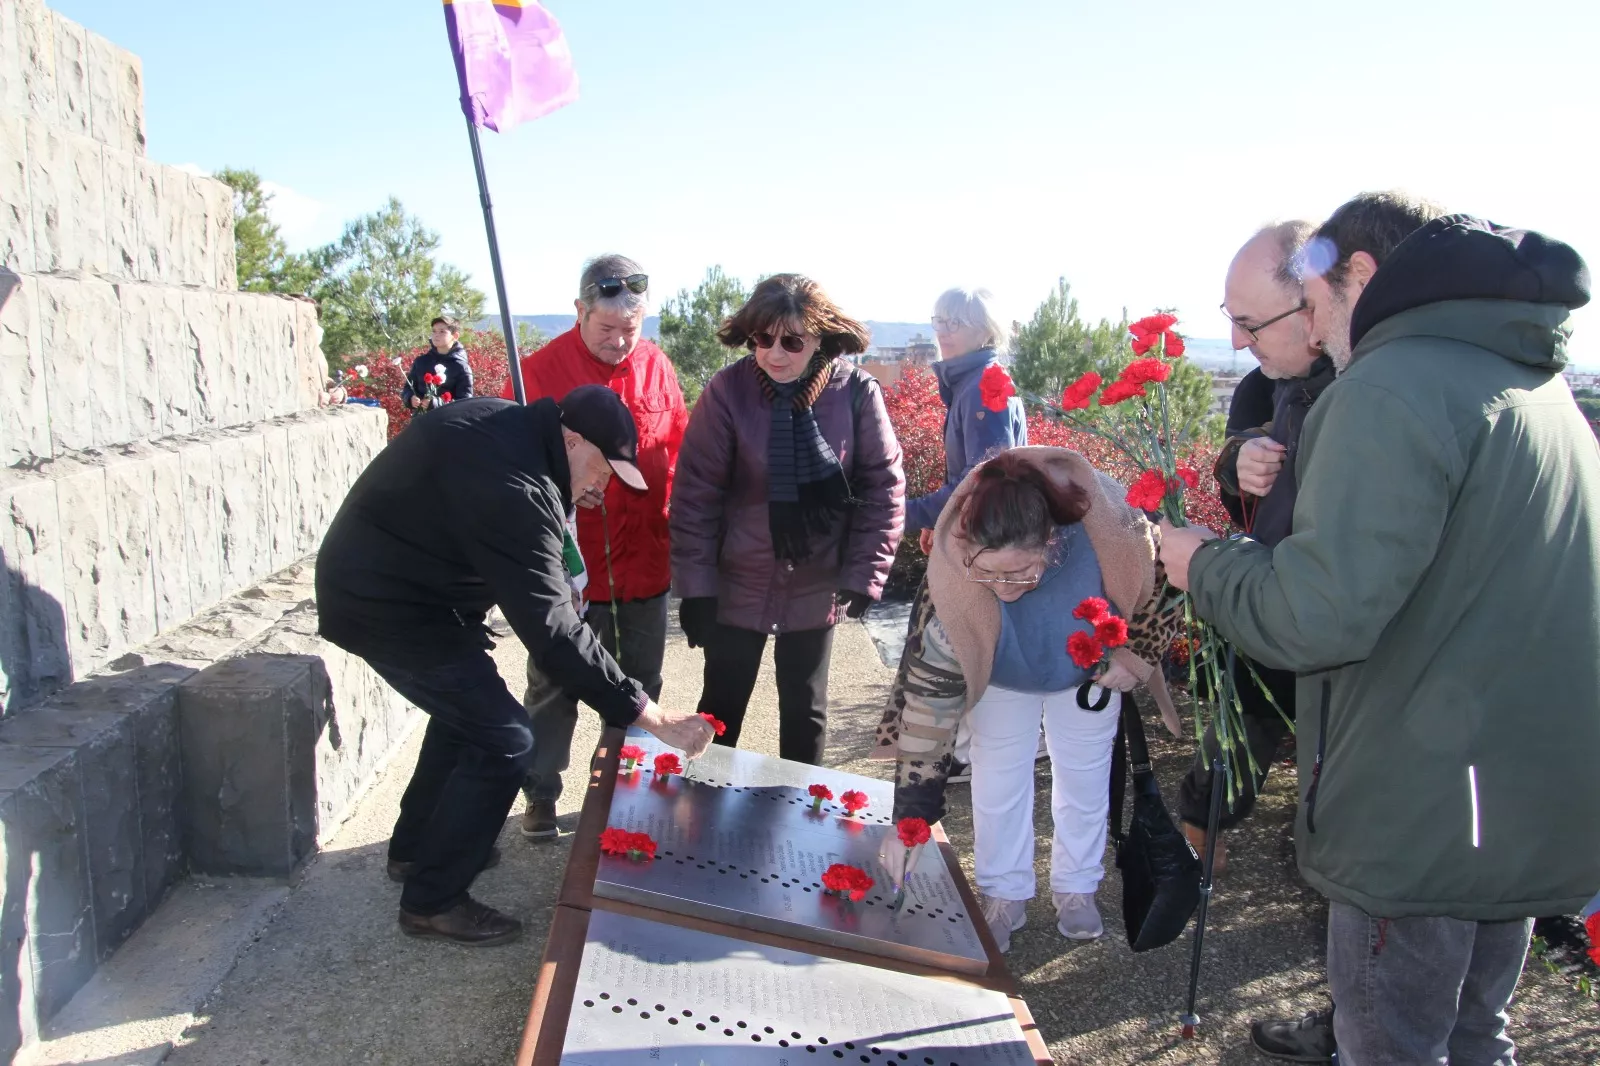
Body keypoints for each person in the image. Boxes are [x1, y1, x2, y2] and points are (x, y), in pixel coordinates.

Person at [1160, 192, 1600, 1065]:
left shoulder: (1389, 388)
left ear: (1360, 274)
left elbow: (1313, 618)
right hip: (1509, 791)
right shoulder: (1531, 380)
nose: (1313, 334)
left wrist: (1201, 564)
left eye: (1313, 305)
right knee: (1478, 1032)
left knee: (1391, 1044)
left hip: (1421, 808)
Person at [315, 386, 713, 946]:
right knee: (506, 739)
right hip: (383, 606)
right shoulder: (518, 487)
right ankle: (434, 901)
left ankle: (415, 851)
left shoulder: (509, 429)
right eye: (601, 469)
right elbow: (554, 632)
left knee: (467, 716)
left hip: (405, 592)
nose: (601, 485)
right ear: (572, 439)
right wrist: (647, 713)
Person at [873, 448, 1184, 951]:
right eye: (989, 574)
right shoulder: (954, 574)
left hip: (1090, 672)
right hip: (1000, 672)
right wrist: (910, 821)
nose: (1004, 587)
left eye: (1021, 573)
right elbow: (926, 710)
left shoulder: (1110, 532)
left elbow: (1171, 576)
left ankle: (1077, 887)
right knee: (997, 781)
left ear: (1052, 544)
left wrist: (1138, 655)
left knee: (1084, 780)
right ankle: (1003, 892)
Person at [670, 274, 905, 764]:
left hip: (817, 580)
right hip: (740, 578)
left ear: (821, 339)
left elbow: (883, 489)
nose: (775, 353)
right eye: (763, 338)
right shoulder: (728, 391)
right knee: (721, 707)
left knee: (805, 711)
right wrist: (697, 588)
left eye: (792, 341)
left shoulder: (857, 393)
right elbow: (696, 495)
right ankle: (702, 816)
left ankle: (797, 822)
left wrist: (865, 574)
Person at [499, 255, 688, 840]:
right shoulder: (535, 373)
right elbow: (510, 468)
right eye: (605, 329)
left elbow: (678, 453)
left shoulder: (659, 368)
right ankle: (540, 795)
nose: (618, 342)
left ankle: (620, 796)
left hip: (645, 565)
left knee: (640, 687)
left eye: (630, 330)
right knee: (554, 686)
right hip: (568, 575)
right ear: (578, 311)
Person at [1176, 221, 1333, 872]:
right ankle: (1202, 825)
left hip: (1334, 603)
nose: (1238, 342)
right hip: (1272, 585)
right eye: (1231, 321)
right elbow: (1229, 458)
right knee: (1247, 720)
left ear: (1313, 304)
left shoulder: (1370, 384)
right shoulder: (1263, 383)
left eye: (1251, 323)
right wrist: (1239, 456)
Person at [902, 288, 1030, 783]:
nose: (943, 328)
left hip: (987, 542)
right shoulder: (976, 381)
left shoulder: (981, 386)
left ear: (985, 329)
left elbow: (980, 480)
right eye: (938, 318)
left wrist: (908, 513)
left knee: (959, 643)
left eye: (956, 320)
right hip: (983, 536)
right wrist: (939, 520)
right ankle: (968, 749)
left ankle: (967, 752)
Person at [400, 316, 473, 412]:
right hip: (422, 420)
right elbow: (407, 388)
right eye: (434, 331)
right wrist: (410, 398)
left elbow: (465, 402)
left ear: (455, 336)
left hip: (448, 422)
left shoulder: (461, 367)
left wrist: (435, 403)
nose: (436, 335)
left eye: (442, 331)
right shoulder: (421, 362)